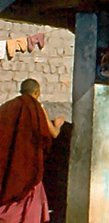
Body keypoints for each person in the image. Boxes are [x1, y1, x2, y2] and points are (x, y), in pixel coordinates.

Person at [0, 79, 64, 223]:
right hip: (30, 164)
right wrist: (58, 124)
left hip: (11, 164)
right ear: (37, 92)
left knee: (10, 191)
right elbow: (53, 133)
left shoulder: (7, 107)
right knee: (30, 195)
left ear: (21, 91)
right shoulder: (37, 107)